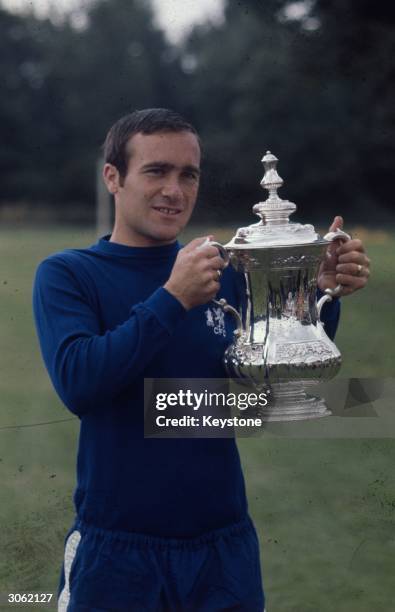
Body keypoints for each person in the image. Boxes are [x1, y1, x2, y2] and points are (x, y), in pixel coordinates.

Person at [33, 108, 370, 612]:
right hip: (118, 552)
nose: (175, 189)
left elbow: (271, 387)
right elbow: (79, 384)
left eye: (188, 174)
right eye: (156, 171)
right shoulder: (68, 273)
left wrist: (313, 294)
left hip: (223, 548)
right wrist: (171, 298)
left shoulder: (227, 270)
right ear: (113, 177)